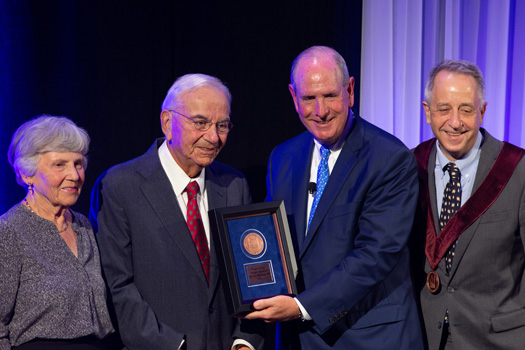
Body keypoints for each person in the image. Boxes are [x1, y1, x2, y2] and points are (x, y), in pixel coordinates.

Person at [243, 46, 423, 349]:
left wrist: (302, 307)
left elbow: (374, 256)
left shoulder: (390, 158)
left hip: (368, 337)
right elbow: (272, 246)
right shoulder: (283, 157)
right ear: (293, 97)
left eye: (329, 95)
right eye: (309, 98)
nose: (321, 110)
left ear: (350, 90)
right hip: (296, 339)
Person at [90, 73, 264, 350]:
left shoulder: (234, 185)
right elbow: (117, 286)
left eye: (223, 125)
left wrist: (245, 341)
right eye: (200, 123)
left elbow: (253, 278)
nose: (213, 137)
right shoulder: (119, 186)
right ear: (167, 122)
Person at [413, 59, 525, 349]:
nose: (455, 122)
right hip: (424, 335)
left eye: (466, 109)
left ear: (482, 112)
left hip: (498, 339)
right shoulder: (407, 168)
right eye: (444, 109)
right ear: (427, 112)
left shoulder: (518, 169)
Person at [0, 116, 114, 350]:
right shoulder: (9, 232)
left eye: (78, 163)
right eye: (60, 164)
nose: (74, 175)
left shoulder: (84, 227)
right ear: (26, 174)